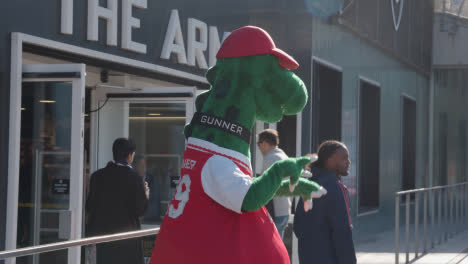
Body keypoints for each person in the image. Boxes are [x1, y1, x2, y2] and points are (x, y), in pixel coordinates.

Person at [86, 138, 149, 264]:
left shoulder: (97, 176)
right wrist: (146, 195)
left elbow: (89, 207)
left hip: (101, 239)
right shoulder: (135, 178)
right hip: (126, 240)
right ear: (130, 156)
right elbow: (140, 210)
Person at [293, 140, 356, 264]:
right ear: (330, 160)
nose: (348, 162)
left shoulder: (309, 184)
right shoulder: (336, 188)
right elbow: (343, 233)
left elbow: (297, 227)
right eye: (344, 158)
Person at [257, 129, 290, 239]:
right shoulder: (283, 156)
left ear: (265, 143)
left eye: (258, 144)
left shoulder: (270, 158)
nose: (259, 147)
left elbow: (262, 185)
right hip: (285, 208)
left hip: (275, 209)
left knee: (270, 246)